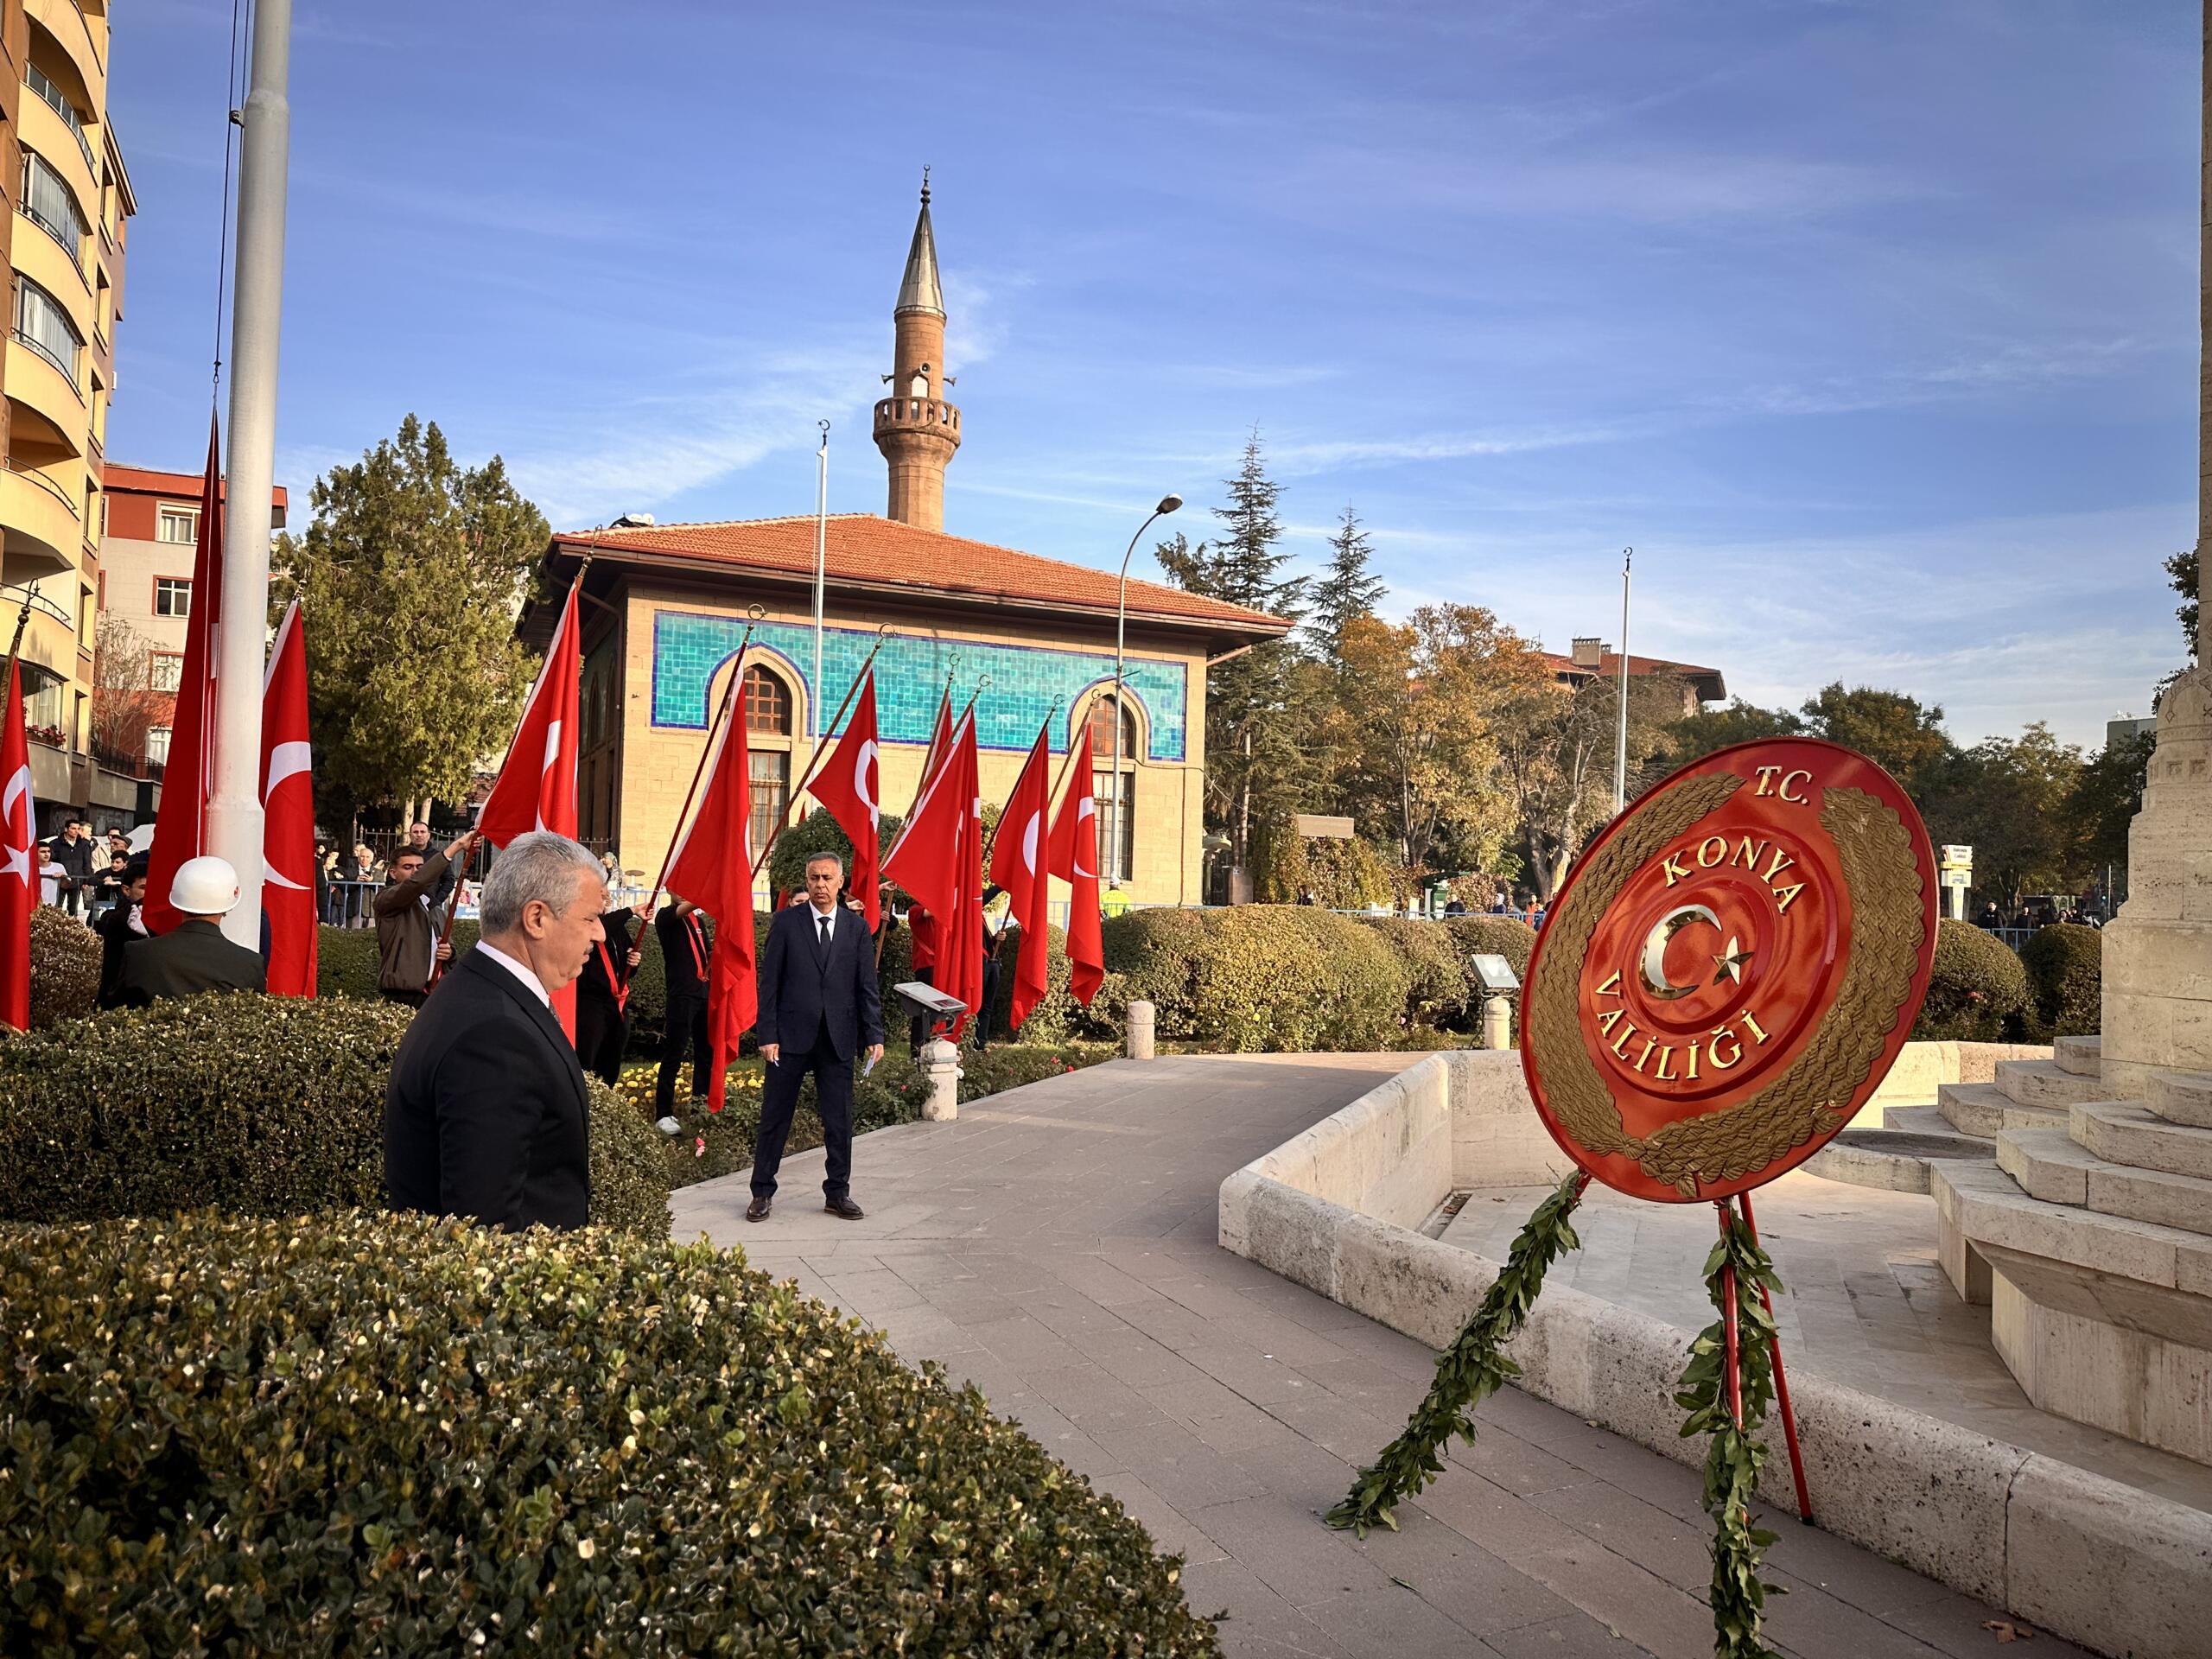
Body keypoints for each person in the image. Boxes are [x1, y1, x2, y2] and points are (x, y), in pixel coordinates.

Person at [383, 831, 602, 1232]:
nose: (600, 934)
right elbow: (484, 1229)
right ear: (536, 918)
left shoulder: (480, 993)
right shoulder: (494, 1035)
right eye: (589, 918)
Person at [748, 850, 883, 1224]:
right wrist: (767, 1033)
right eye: (814, 878)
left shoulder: (857, 929)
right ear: (806, 882)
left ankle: (837, 1193)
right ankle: (761, 1192)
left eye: (827, 878)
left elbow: (866, 987)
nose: (820, 885)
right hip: (789, 1038)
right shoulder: (787, 923)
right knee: (775, 1117)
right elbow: (770, 984)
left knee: (839, 1120)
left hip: (838, 1038)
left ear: (841, 882)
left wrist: (874, 1034)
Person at [118, 856, 267, 1006]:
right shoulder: (250, 964)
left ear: (176, 900)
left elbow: (112, 1012)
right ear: (228, 906)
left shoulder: (138, 953)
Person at [375, 832, 474, 1007]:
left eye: (420, 867)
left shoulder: (432, 905)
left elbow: (448, 949)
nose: (415, 872)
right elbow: (416, 883)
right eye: (408, 867)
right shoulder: (386, 900)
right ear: (393, 872)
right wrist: (456, 846)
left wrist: (449, 954)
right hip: (403, 993)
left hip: (435, 992)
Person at [652, 896, 713, 1126]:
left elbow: (706, 953)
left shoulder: (698, 922)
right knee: (674, 1053)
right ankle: (663, 1112)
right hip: (682, 994)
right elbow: (691, 904)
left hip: (703, 991)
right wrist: (710, 892)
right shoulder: (666, 916)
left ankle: (700, 1106)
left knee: (705, 1053)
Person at [575, 898, 641, 1089]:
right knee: (587, 1057)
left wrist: (632, 962)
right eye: (599, 896)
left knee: (612, 1057)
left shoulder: (618, 928)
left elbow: (625, 962)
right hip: (590, 1002)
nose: (604, 901)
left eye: (605, 897)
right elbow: (602, 929)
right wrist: (632, 910)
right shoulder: (586, 924)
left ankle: (606, 1097)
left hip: (616, 1002)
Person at [93, 855, 150, 1009]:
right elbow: (106, 922)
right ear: (126, 889)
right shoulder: (116, 917)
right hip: (116, 999)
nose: (150, 893)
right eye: (144, 888)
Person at [403, 820, 459, 908]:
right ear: (410, 835)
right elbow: (392, 879)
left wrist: (437, 900)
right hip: (404, 905)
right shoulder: (401, 855)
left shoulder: (438, 857)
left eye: (423, 832)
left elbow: (449, 880)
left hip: (430, 907)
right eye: (416, 832)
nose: (419, 835)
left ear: (428, 835)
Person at [45, 819, 94, 917]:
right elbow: (51, 861)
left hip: (77, 880)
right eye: (73, 828)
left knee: (73, 908)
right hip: (60, 880)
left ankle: (72, 929)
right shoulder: (55, 843)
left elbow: (87, 863)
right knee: (56, 907)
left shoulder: (84, 844)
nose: (76, 831)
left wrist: (87, 880)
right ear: (66, 829)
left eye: (78, 829)